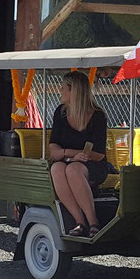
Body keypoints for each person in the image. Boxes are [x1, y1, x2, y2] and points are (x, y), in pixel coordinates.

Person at [48, 70, 108, 238]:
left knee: (73, 170)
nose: (60, 91)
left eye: (63, 88)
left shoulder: (97, 116)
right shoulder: (61, 112)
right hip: (67, 160)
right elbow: (54, 147)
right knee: (57, 169)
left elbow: (98, 154)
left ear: (74, 91)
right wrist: (70, 154)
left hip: (93, 164)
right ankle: (79, 221)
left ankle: (93, 221)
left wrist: (74, 156)